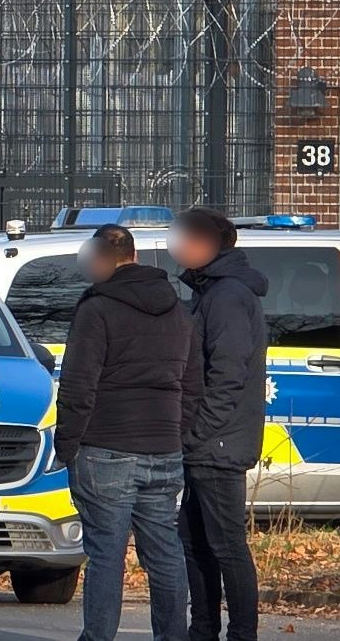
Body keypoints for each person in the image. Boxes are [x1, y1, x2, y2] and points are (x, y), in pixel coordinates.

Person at [54, 223, 202, 641]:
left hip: (105, 447)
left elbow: (79, 385)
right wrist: (176, 433)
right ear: (134, 256)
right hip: (163, 447)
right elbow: (192, 385)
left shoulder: (96, 309)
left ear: (101, 259)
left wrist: (68, 444)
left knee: (106, 554)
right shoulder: (178, 310)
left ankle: (98, 636)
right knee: (165, 553)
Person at [171, 206, 268, 641]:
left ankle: (241, 633)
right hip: (206, 443)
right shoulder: (209, 292)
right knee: (194, 542)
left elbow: (228, 374)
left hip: (217, 445)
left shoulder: (227, 296)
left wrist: (198, 433)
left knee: (226, 545)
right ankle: (203, 629)